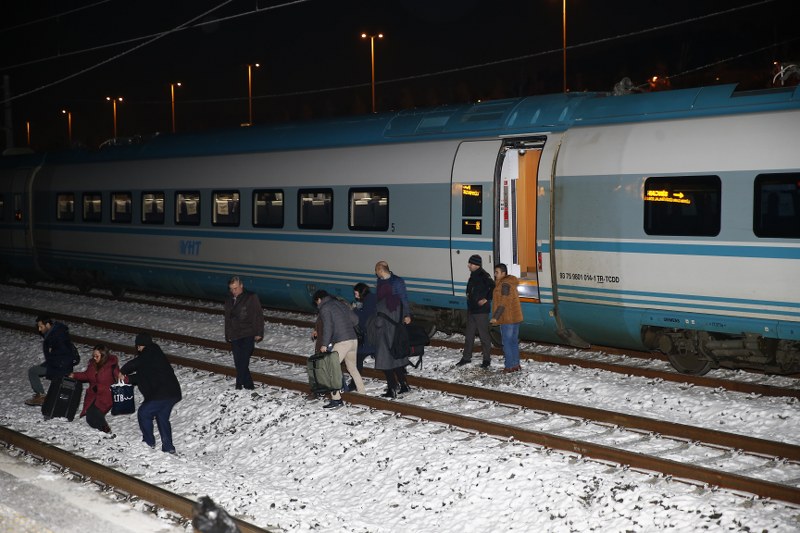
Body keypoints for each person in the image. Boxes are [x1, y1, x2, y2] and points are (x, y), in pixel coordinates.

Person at [121, 333, 182, 453]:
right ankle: (168, 447)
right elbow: (143, 376)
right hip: (171, 393)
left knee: (144, 413)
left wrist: (122, 370)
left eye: (138, 347)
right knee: (162, 417)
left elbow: (136, 363)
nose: (138, 349)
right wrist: (128, 379)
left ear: (140, 346)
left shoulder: (151, 351)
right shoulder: (153, 357)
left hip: (162, 393)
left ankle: (148, 442)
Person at [313, 290, 365, 409]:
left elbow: (328, 327)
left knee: (331, 368)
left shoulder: (325, 308)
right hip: (353, 340)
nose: (317, 305)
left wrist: (324, 344)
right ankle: (362, 394)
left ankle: (336, 400)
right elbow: (355, 320)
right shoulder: (340, 304)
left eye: (317, 302)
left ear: (319, 299)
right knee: (352, 368)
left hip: (342, 342)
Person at [369, 261, 412, 398]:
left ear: (381, 270)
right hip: (394, 327)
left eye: (377, 270)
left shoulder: (397, 282)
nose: (376, 274)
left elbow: (403, 299)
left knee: (385, 359)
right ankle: (404, 385)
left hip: (386, 331)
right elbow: (402, 301)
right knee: (396, 358)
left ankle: (392, 388)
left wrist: (407, 315)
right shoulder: (393, 299)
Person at [223, 276, 264, 390]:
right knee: (238, 361)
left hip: (248, 333)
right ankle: (249, 386)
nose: (233, 291)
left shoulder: (251, 297)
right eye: (231, 289)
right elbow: (227, 318)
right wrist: (228, 334)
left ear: (241, 285)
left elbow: (258, 315)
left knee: (244, 360)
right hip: (235, 334)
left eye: (235, 288)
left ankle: (238, 383)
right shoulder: (228, 298)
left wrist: (259, 332)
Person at [26, 316, 76, 406]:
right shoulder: (54, 333)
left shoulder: (58, 336)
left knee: (33, 371)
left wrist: (54, 367)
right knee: (33, 371)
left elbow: (65, 354)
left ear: (48, 325)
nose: (39, 329)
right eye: (38, 327)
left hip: (60, 366)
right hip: (56, 363)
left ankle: (41, 396)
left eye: (41, 327)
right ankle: (40, 395)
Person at [69, 344, 120, 433]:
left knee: (95, 412)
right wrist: (75, 375)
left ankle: (105, 428)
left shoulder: (111, 366)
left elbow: (120, 377)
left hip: (106, 396)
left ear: (103, 356)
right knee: (90, 418)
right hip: (93, 395)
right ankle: (101, 426)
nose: (94, 358)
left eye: (97, 356)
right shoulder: (92, 364)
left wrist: (128, 379)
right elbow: (86, 375)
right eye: (93, 356)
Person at [456, 254, 495, 368]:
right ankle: (466, 357)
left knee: (484, 336)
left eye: (471, 264)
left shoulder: (484, 276)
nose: (468, 265)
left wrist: (486, 299)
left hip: (481, 311)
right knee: (469, 335)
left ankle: (486, 360)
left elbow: (493, 287)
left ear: (477, 265)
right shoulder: (473, 275)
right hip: (472, 310)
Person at [489, 264, 523, 373]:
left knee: (507, 343)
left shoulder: (505, 285)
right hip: (515, 318)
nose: (495, 274)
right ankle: (516, 364)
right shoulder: (509, 282)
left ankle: (509, 366)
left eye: (497, 272)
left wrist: (495, 317)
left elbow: (503, 302)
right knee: (513, 342)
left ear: (503, 273)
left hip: (507, 319)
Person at [349, 282, 377, 391]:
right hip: (375, 336)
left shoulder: (369, 301)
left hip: (370, 337)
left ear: (362, 292)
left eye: (356, 294)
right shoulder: (372, 298)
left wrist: (355, 310)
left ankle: (354, 384)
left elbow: (364, 320)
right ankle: (399, 382)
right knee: (385, 362)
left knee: (358, 359)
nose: (355, 296)